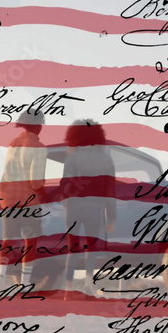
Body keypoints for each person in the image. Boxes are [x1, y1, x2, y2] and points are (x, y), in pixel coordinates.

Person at [58, 119, 116, 292]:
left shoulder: (73, 157)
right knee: (91, 247)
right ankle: (88, 283)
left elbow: (64, 183)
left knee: (72, 247)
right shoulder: (106, 159)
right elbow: (110, 190)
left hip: (74, 207)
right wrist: (111, 217)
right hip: (95, 207)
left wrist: (65, 200)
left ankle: (68, 287)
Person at [0, 109, 47, 284]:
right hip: (28, 201)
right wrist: (42, 190)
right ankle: (25, 282)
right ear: (37, 126)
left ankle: (1, 277)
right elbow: (36, 180)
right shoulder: (39, 147)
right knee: (30, 242)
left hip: (8, 199)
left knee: (8, 240)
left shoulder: (13, 143)